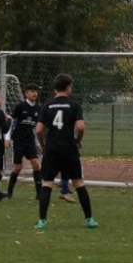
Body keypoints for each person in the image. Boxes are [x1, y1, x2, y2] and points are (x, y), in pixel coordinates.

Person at [34, 73, 97, 229]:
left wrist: (42, 144)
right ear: (68, 87)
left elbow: (39, 130)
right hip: (69, 148)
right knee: (78, 182)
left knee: (47, 183)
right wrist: (77, 141)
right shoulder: (74, 105)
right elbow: (81, 127)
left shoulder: (47, 105)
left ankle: (42, 221)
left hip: (52, 148)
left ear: (55, 88)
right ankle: (89, 219)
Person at [5, 83, 42, 199]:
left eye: (36, 91)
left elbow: (35, 127)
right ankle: (9, 192)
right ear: (26, 93)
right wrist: (7, 137)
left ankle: (39, 194)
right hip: (18, 141)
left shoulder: (38, 108)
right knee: (18, 168)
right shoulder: (20, 106)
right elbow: (12, 122)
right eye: (32, 91)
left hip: (30, 141)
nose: (34, 93)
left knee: (36, 164)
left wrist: (38, 143)